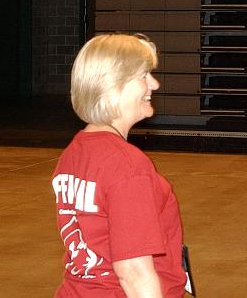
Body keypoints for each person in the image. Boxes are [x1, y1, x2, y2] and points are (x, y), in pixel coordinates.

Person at [51, 34, 188, 298]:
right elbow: (134, 273)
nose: (154, 84)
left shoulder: (74, 152)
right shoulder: (126, 165)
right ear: (113, 85)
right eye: (144, 75)